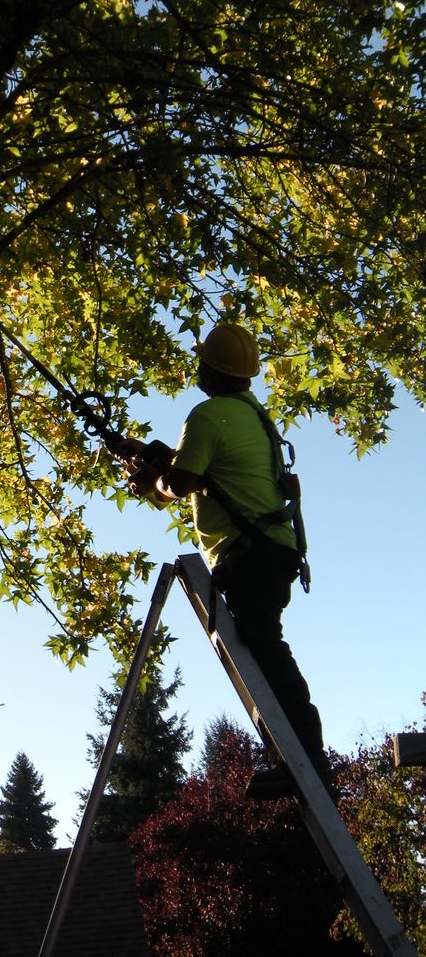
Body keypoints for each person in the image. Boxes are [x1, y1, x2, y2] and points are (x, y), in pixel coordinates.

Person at [122, 323, 330, 798]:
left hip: (249, 554)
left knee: (264, 645)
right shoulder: (252, 415)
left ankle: (309, 759)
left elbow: (179, 483)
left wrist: (151, 482)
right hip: (274, 550)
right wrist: (148, 455)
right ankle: (299, 757)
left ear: (210, 367)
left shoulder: (209, 415)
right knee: (264, 644)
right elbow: (208, 466)